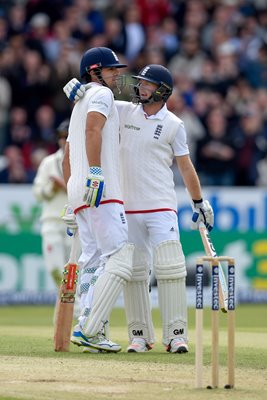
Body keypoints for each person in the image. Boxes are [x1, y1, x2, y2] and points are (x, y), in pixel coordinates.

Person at [64, 64, 213, 353]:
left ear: (163, 90)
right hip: (126, 207)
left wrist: (198, 201)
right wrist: (77, 88)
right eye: (141, 82)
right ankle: (139, 335)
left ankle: (176, 335)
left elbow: (185, 167)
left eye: (147, 84)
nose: (140, 87)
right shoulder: (123, 110)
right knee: (133, 272)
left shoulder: (174, 124)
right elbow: (95, 102)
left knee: (170, 267)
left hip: (161, 206)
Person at [62, 47, 134, 353]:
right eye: (111, 69)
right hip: (101, 188)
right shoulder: (101, 96)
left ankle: (87, 323)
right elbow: (94, 129)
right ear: (95, 71)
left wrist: (71, 195)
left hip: (79, 191)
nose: (117, 74)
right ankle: (90, 328)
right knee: (118, 257)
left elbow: (67, 155)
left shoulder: (79, 102)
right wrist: (96, 172)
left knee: (91, 259)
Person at [32, 119, 71, 288]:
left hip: (73, 223)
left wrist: (65, 186)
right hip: (52, 221)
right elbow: (38, 193)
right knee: (55, 269)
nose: (63, 140)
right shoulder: (49, 162)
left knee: (74, 270)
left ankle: (75, 310)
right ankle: (70, 308)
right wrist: (51, 189)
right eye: (61, 136)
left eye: (67, 136)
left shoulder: (84, 160)